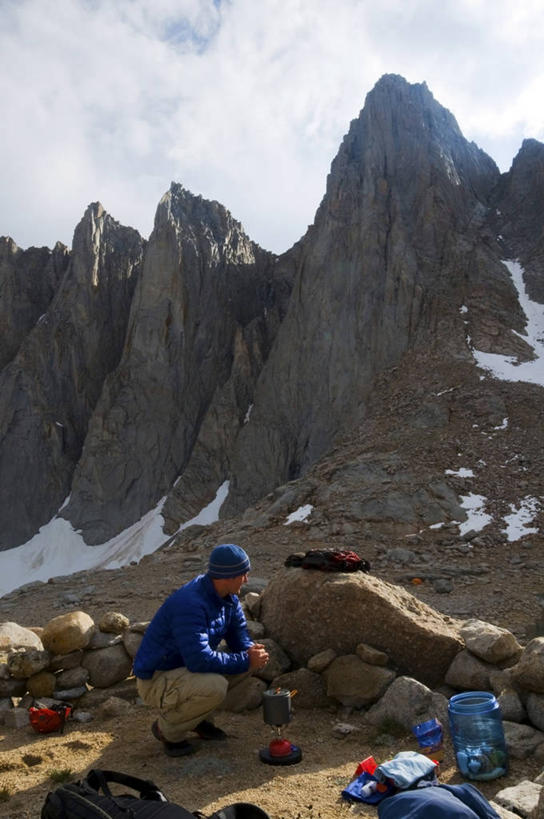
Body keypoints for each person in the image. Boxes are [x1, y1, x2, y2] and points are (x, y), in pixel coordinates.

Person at [133, 543, 269, 756]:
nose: (246, 580)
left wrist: (252, 651)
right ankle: (167, 730)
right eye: (243, 574)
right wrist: (245, 659)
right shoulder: (190, 604)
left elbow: (238, 637)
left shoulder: (228, 599)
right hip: (157, 679)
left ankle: (197, 720)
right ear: (227, 576)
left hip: (184, 671)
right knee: (215, 685)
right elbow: (199, 660)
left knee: (245, 665)